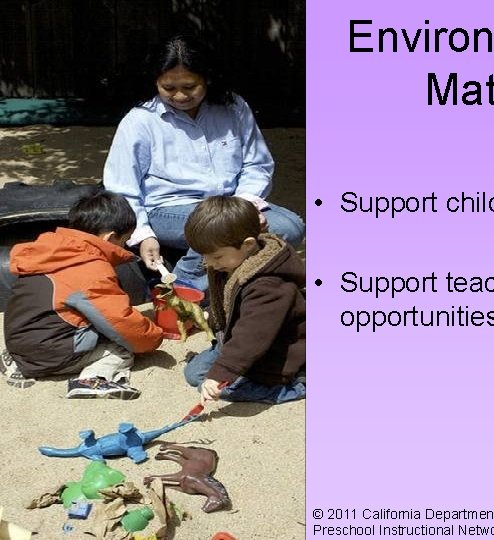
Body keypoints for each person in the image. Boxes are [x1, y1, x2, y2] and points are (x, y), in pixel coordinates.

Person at [103, 35, 305, 292]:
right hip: (167, 209)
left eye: (189, 87)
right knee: (222, 228)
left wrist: (244, 207)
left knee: (290, 227)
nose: (179, 96)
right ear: (155, 82)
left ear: (207, 78)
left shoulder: (234, 107)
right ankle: (182, 290)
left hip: (230, 204)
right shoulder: (140, 121)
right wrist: (143, 234)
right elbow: (122, 187)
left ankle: (227, 286)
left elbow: (257, 165)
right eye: (168, 88)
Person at [0, 192, 164, 398]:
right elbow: (120, 321)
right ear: (110, 237)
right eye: (125, 240)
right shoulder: (90, 269)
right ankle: (92, 379)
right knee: (120, 350)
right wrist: (154, 336)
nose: (124, 246)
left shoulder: (51, 250)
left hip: (19, 339)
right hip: (48, 352)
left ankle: (17, 361)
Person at [182, 196, 305, 404]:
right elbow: (228, 302)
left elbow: (251, 336)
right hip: (238, 339)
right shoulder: (233, 261)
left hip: (276, 353)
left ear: (248, 244)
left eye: (216, 256)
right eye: (204, 256)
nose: (209, 263)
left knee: (222, 389)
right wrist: (209, 316)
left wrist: (221, 374)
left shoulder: (268, 286)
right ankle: (230, 367)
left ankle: (295, 387)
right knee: (194, 374)